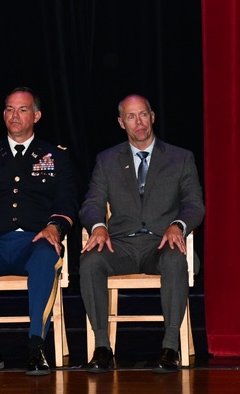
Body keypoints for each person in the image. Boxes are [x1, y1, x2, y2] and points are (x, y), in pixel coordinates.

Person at [0, 87, 78, 376]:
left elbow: (67, 201)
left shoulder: (55, 155)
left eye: (22, 109)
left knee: (47, 256)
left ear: (36, 115)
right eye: (9, 109)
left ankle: (36, 347)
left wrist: (54, 227)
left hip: (34, 242)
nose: (14, 115)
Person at [79, 94, 205, 374]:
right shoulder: (107, 159)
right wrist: (98, 227)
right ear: (121, 123)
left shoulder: (180, 158)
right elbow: (91, 204)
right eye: (131, 117)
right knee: (90, 261)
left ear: (153, 116)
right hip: (120, 245)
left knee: (175, 259)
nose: (139, 122)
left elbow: (195, 204)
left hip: (161, 243)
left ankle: (170, 347)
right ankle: (102, 348)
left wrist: (179, 225)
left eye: (144, 114)